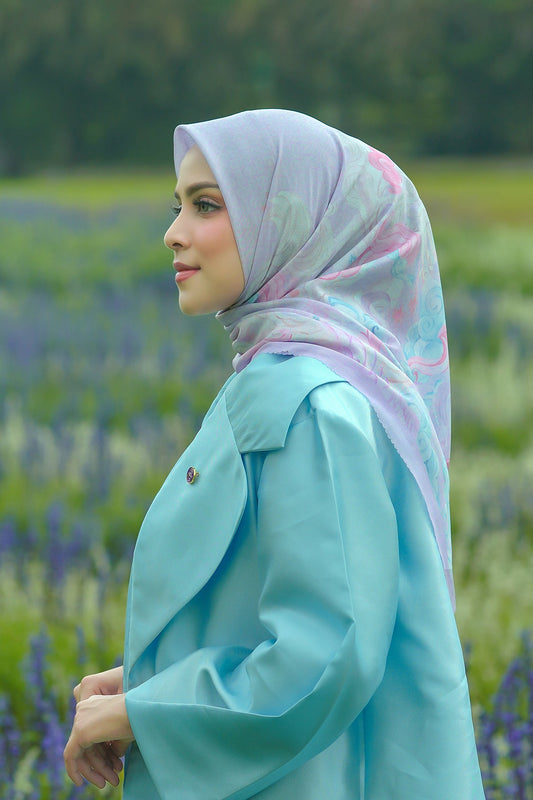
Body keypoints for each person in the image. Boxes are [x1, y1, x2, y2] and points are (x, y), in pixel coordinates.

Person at [64, 109, 486, 799]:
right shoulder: (313, 379)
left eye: (206, 205)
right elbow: (276, 612)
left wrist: (147, 716)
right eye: (178, 206)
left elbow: (326, 654)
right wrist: (148, 684)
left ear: (289, 224)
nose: (174, 232)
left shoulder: (308, 403)